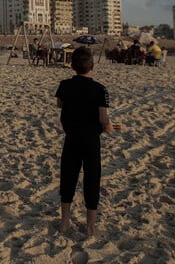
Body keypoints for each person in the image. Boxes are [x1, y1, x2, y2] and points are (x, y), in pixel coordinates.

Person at [55, 46, 114, 236]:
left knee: (68, 177)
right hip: (91, 140)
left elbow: (60, 103)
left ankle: (64, 222)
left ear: (72, 66)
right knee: (91, 179)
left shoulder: (65, 85)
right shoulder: (100, 89)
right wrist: (109, 126)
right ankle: (90, 225)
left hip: (72, 137)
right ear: (92, 67)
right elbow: (103, 119)